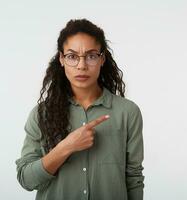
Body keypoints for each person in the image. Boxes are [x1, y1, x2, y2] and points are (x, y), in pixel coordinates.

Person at [15, 18, 145, 200]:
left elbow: (134, 177)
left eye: (91, 56)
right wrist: (65, 147)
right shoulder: (41, 114)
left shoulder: (128, 112)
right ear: (61, 59)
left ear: (102, 59)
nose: (82, 65)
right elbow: (26, 179)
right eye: (72, 56)